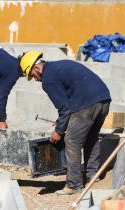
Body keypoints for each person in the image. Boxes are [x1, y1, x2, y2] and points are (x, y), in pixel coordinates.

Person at [20, 51, 111, 195]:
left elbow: (64, 107)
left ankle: (74, 185)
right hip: (104, 99)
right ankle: (92, 174)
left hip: (86, 104)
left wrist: (59, 130)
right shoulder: (59, 66)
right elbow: (69, 101)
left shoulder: (48, 80)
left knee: (72, 141)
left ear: (36, 68)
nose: (34, 79)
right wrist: (61, 121)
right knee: (91, 138)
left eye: (32, 75)